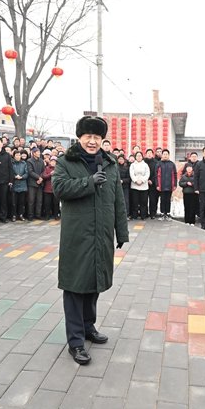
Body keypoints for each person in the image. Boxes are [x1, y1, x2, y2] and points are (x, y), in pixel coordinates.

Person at [52, 116, 128, 365]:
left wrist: (121, 231)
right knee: (75, 287)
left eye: (97, 137)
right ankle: (75, 342)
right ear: (80, 138)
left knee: (94, 283)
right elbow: (60, 188)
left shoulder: (109, 163)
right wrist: (88, 183)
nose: (93, 141)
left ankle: (88, 327)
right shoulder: (66, 162)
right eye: (88, 137)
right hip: (77, 236)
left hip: (102, 234)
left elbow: (118, 199)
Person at [155, 149, 177, 221]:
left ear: (168, 155)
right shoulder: (158, 164)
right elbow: (156, 175)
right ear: (162, 155)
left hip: (170, 185)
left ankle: (167, 213)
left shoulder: (172, 164)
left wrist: (175, 185)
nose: (165, 155)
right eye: (164, 154)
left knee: (168, 200)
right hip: (161, 185)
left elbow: (175, 175)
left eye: (166, 154)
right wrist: (157, 185)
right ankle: (162, 213)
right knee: (162, 200)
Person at [129, 152, 150, 220]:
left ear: (142, 157)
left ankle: (143, 215)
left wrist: (142, 181)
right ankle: (134, 215)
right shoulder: (132, 165)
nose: (139, 157)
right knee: (135, 202)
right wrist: (135, 181)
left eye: (140, 156)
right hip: (135, 186)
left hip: (144, 186)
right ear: (135, 157)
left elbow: (147, 174)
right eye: (137, 156)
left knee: (143, 202)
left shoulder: (145, 165)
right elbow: (131, 174)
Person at [10, 149, 29, 222]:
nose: (18, 156)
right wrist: (15, 176)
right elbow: (10, 172)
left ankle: (21, 215)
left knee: (22, 202)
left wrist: (22, 177)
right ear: (14, 156)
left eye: (19, 155)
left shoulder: (24, 163)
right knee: (14, 202)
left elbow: (27, 173)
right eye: (16, 155)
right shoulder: (12, 163)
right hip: (14, 184)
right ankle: (14, 215)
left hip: (23, 184)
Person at [26, 147, 45, 220]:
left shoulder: (41, 161)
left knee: (39, 201)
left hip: (40, 183)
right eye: (37, 152)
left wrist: (40, 178)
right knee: (31, 200)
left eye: (39, 152)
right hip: (32, 183)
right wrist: (38, 177)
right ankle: (30, 216)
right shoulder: (29, 161)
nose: (39, 153)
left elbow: (43, 171)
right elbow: (30, 172)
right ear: (34, 153)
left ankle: (38, 215)